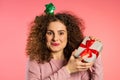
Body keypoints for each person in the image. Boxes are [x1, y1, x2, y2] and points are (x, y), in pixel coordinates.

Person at [26, 3, 103, 80]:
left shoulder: (77, 60)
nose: (55, 38)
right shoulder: (35, 61)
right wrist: (68, 69)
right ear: (42, 36)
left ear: (68, 35)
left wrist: (96, 53)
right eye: (50, 33)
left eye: (61, 33)